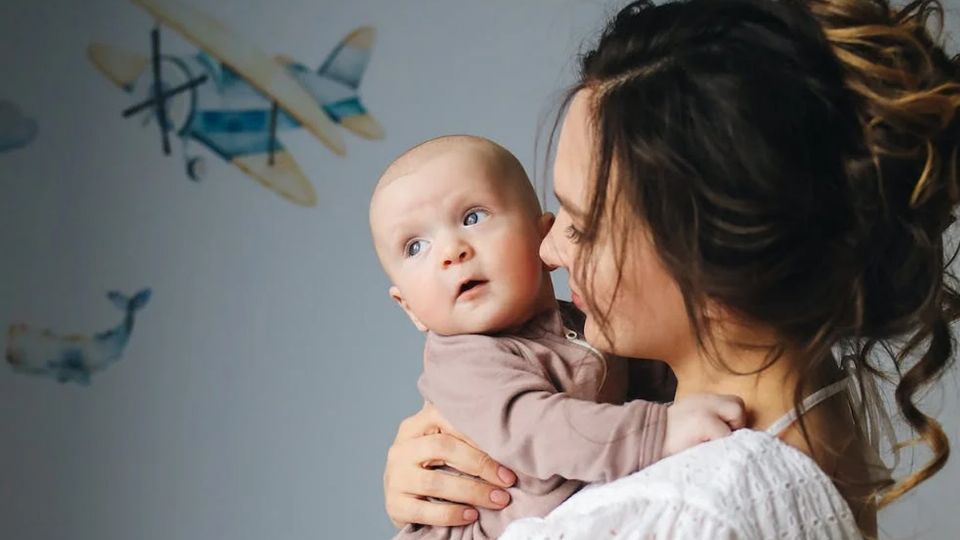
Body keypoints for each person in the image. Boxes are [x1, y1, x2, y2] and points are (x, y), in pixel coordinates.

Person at [381, 0, 960, 537]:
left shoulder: (675, 513)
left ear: (710, 262)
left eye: (580, 225)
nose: (548, 251)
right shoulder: (814, 401)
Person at [370, 134, 747, 539]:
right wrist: (660, 430)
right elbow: (540, 430)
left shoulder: (581, 324)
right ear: (408, 307)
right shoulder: (465, 362)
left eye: (473, 217)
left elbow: (649, 377)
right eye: (415, 246)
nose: (451, 250)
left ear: (544, 238)